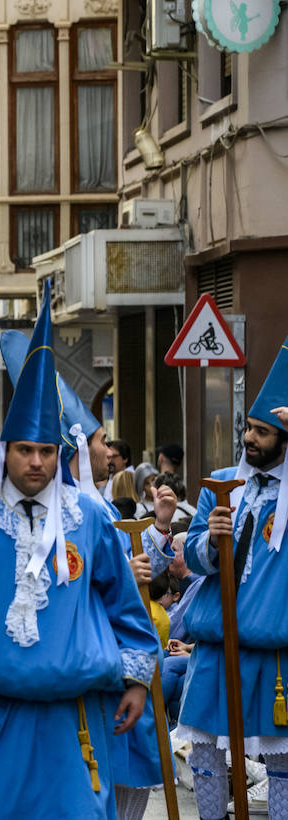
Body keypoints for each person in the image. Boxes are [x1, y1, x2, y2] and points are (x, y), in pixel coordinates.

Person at [0, 281, 160, 820]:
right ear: (7, 451)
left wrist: (137, 682)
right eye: (24, 450)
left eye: (46, 451)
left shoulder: (90, 516)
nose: (36, 463)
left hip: (72, 717)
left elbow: (126, 608)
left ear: (59, 454)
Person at [179, 340, 288, 820]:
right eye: (249, 427)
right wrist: (210, 541)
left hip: (274, 652)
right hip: (214, 646)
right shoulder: (221, 482)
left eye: (263, 432)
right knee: (204, 757)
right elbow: (191, 557)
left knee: (283, 761)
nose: (250, 438)